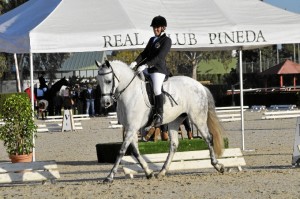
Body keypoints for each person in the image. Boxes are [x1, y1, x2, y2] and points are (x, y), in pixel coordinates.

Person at [130, 15, 172, 127]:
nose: (155, 29)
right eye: (154, 27)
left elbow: (160, 56)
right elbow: (144, 54)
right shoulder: (152, 40)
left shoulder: (166, 40)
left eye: (157, 27)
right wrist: (135, 62)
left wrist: (146, 65)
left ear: (163, 28)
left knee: (156, 88)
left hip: (158, 70)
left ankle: (159, 114)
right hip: (147, 68)